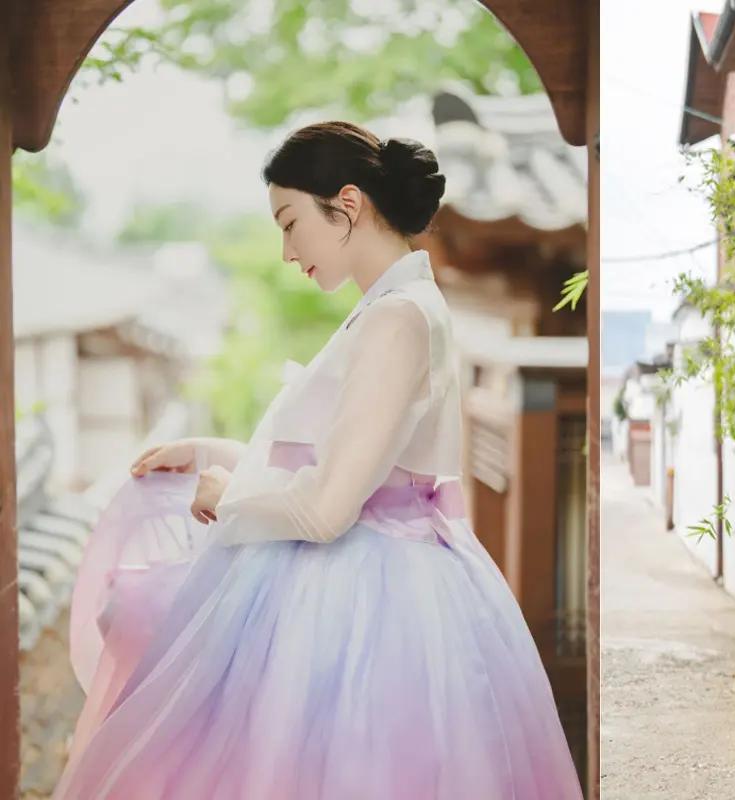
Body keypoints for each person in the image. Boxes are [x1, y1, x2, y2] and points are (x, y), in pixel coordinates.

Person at [55, 122, 583, 800]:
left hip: (368, 596)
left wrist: (227, 497)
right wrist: (208, 455)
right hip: (373, 577)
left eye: (289, 222)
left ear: (348, 204)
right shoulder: (391, 308)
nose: (286, 251)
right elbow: (354, 470)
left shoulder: (397, 318)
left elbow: (327, 508)